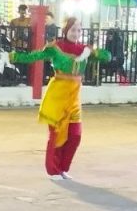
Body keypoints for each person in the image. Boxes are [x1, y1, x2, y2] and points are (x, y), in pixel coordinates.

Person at [7, 17, 110, 180]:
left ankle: (62, 168)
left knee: (75, 136)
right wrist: (16, 57)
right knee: (56, 135)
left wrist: (94, 52)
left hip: (74, 98)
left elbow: (107, 57)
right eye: (72, 30)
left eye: (78, 30)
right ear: (66, 31)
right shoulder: (56, 48)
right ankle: (53, 170)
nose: (75, 33)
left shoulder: (84, 50)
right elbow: (35, 56)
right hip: (57, 96)